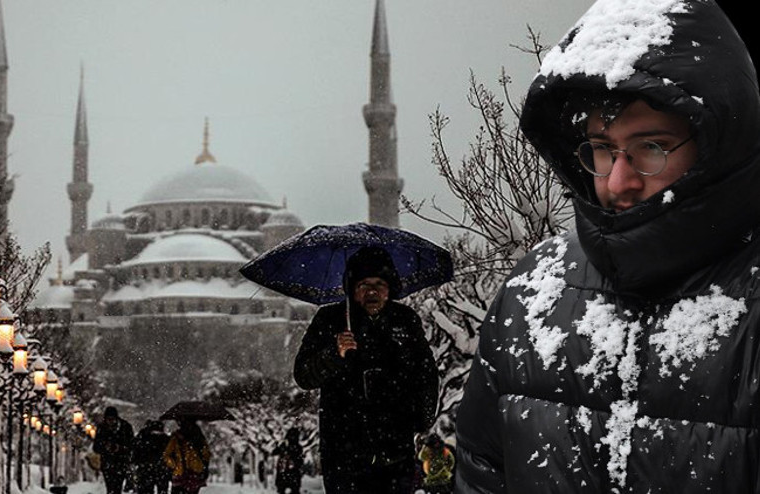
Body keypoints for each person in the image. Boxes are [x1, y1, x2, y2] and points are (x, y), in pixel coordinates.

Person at [455, 0, 760, 492]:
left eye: (651, 148)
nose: (619, 182)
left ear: (718, 141)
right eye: (601, 149)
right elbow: (483, 471)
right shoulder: (534, 291)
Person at [294, 245, 439, 493]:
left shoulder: (404, 320)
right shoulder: (330, 319)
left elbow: (426, 373)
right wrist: (333, 353)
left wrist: (419, 420)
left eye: (379, 284)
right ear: (352, 288)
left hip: (395, 452)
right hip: (344, 453)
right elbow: (303, 375)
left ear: (389, 288)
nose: (372, 291)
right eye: (363, 284)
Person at [93, 406, 135, 494]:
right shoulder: (101, 428)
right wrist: (105, 447)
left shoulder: (125, 427)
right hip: (107, 463)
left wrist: (120, 448)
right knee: (110, 487)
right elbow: (96, 447)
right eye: (108, 419)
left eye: (112, 419)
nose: (110, 422)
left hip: (121, 462)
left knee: (117, 487)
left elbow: (132, 445)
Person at [163, 418, 210, 494]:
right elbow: (206, 455)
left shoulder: (176, 438)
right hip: (195, 474)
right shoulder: (199, 438)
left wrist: (174, 465)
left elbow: (167, 455)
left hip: (180, 474)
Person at [133, 420, 171, 494]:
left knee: (147, 489)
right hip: (158, 469)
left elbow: (136, 453)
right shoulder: (165, 439)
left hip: (147, 469)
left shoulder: (143, 438)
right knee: (161, 489)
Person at [272, 427, 304, 494]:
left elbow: (274, 452)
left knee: (284, 489)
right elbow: (300, 461)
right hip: (291, 473)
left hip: (285, 472)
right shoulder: (297, 447)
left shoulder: (286, 445)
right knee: (294, 489)